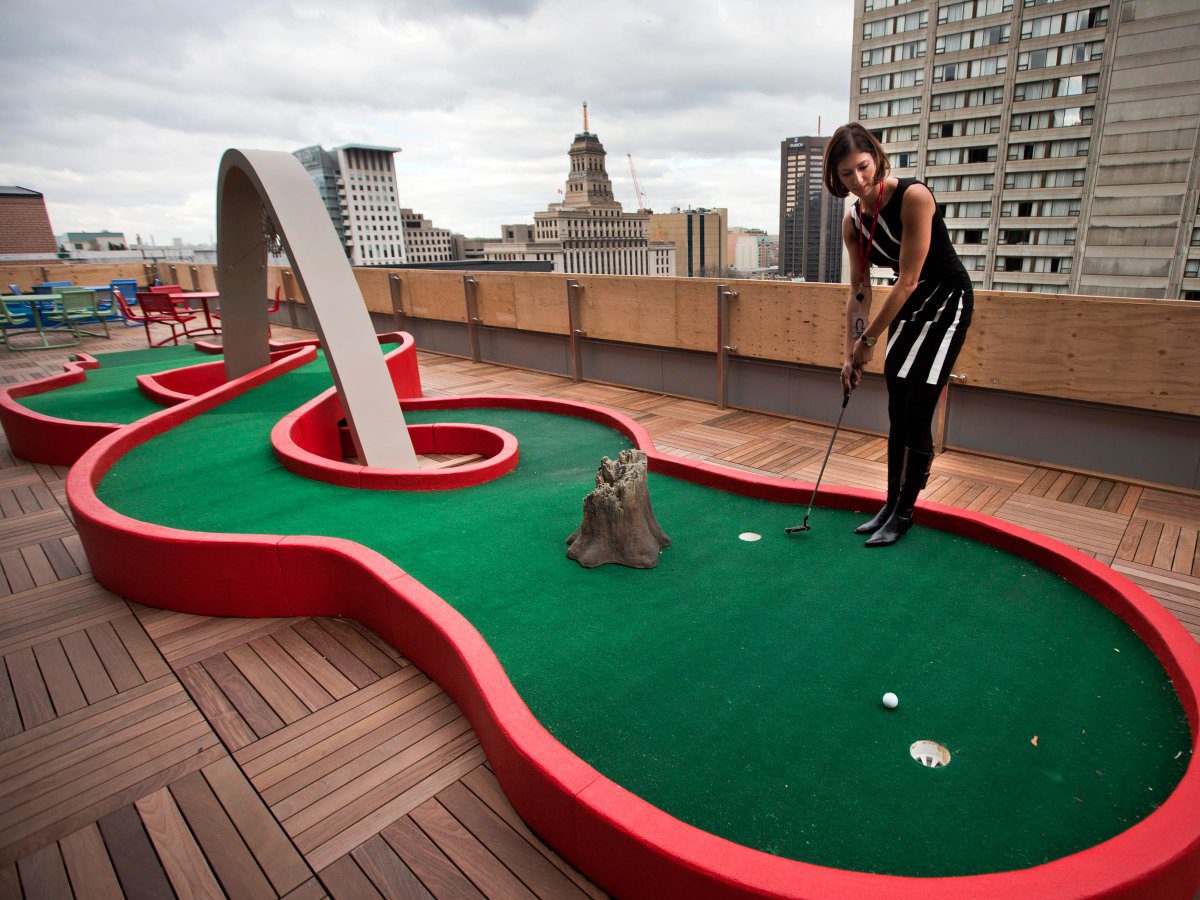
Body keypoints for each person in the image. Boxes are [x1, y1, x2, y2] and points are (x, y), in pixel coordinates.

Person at [823, 123, 973, 547]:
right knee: (897, 410)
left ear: (877, 157)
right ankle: (889, 505)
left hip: (945, 303)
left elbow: (907, 279)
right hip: (906, 309)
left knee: (917, 408)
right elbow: (860, 290)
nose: (858, 180)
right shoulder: (853, 222)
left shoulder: (913, 197)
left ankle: (904, 514)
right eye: (847, 174)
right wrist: (850, 353)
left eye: (863, 167)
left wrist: (868, 341)